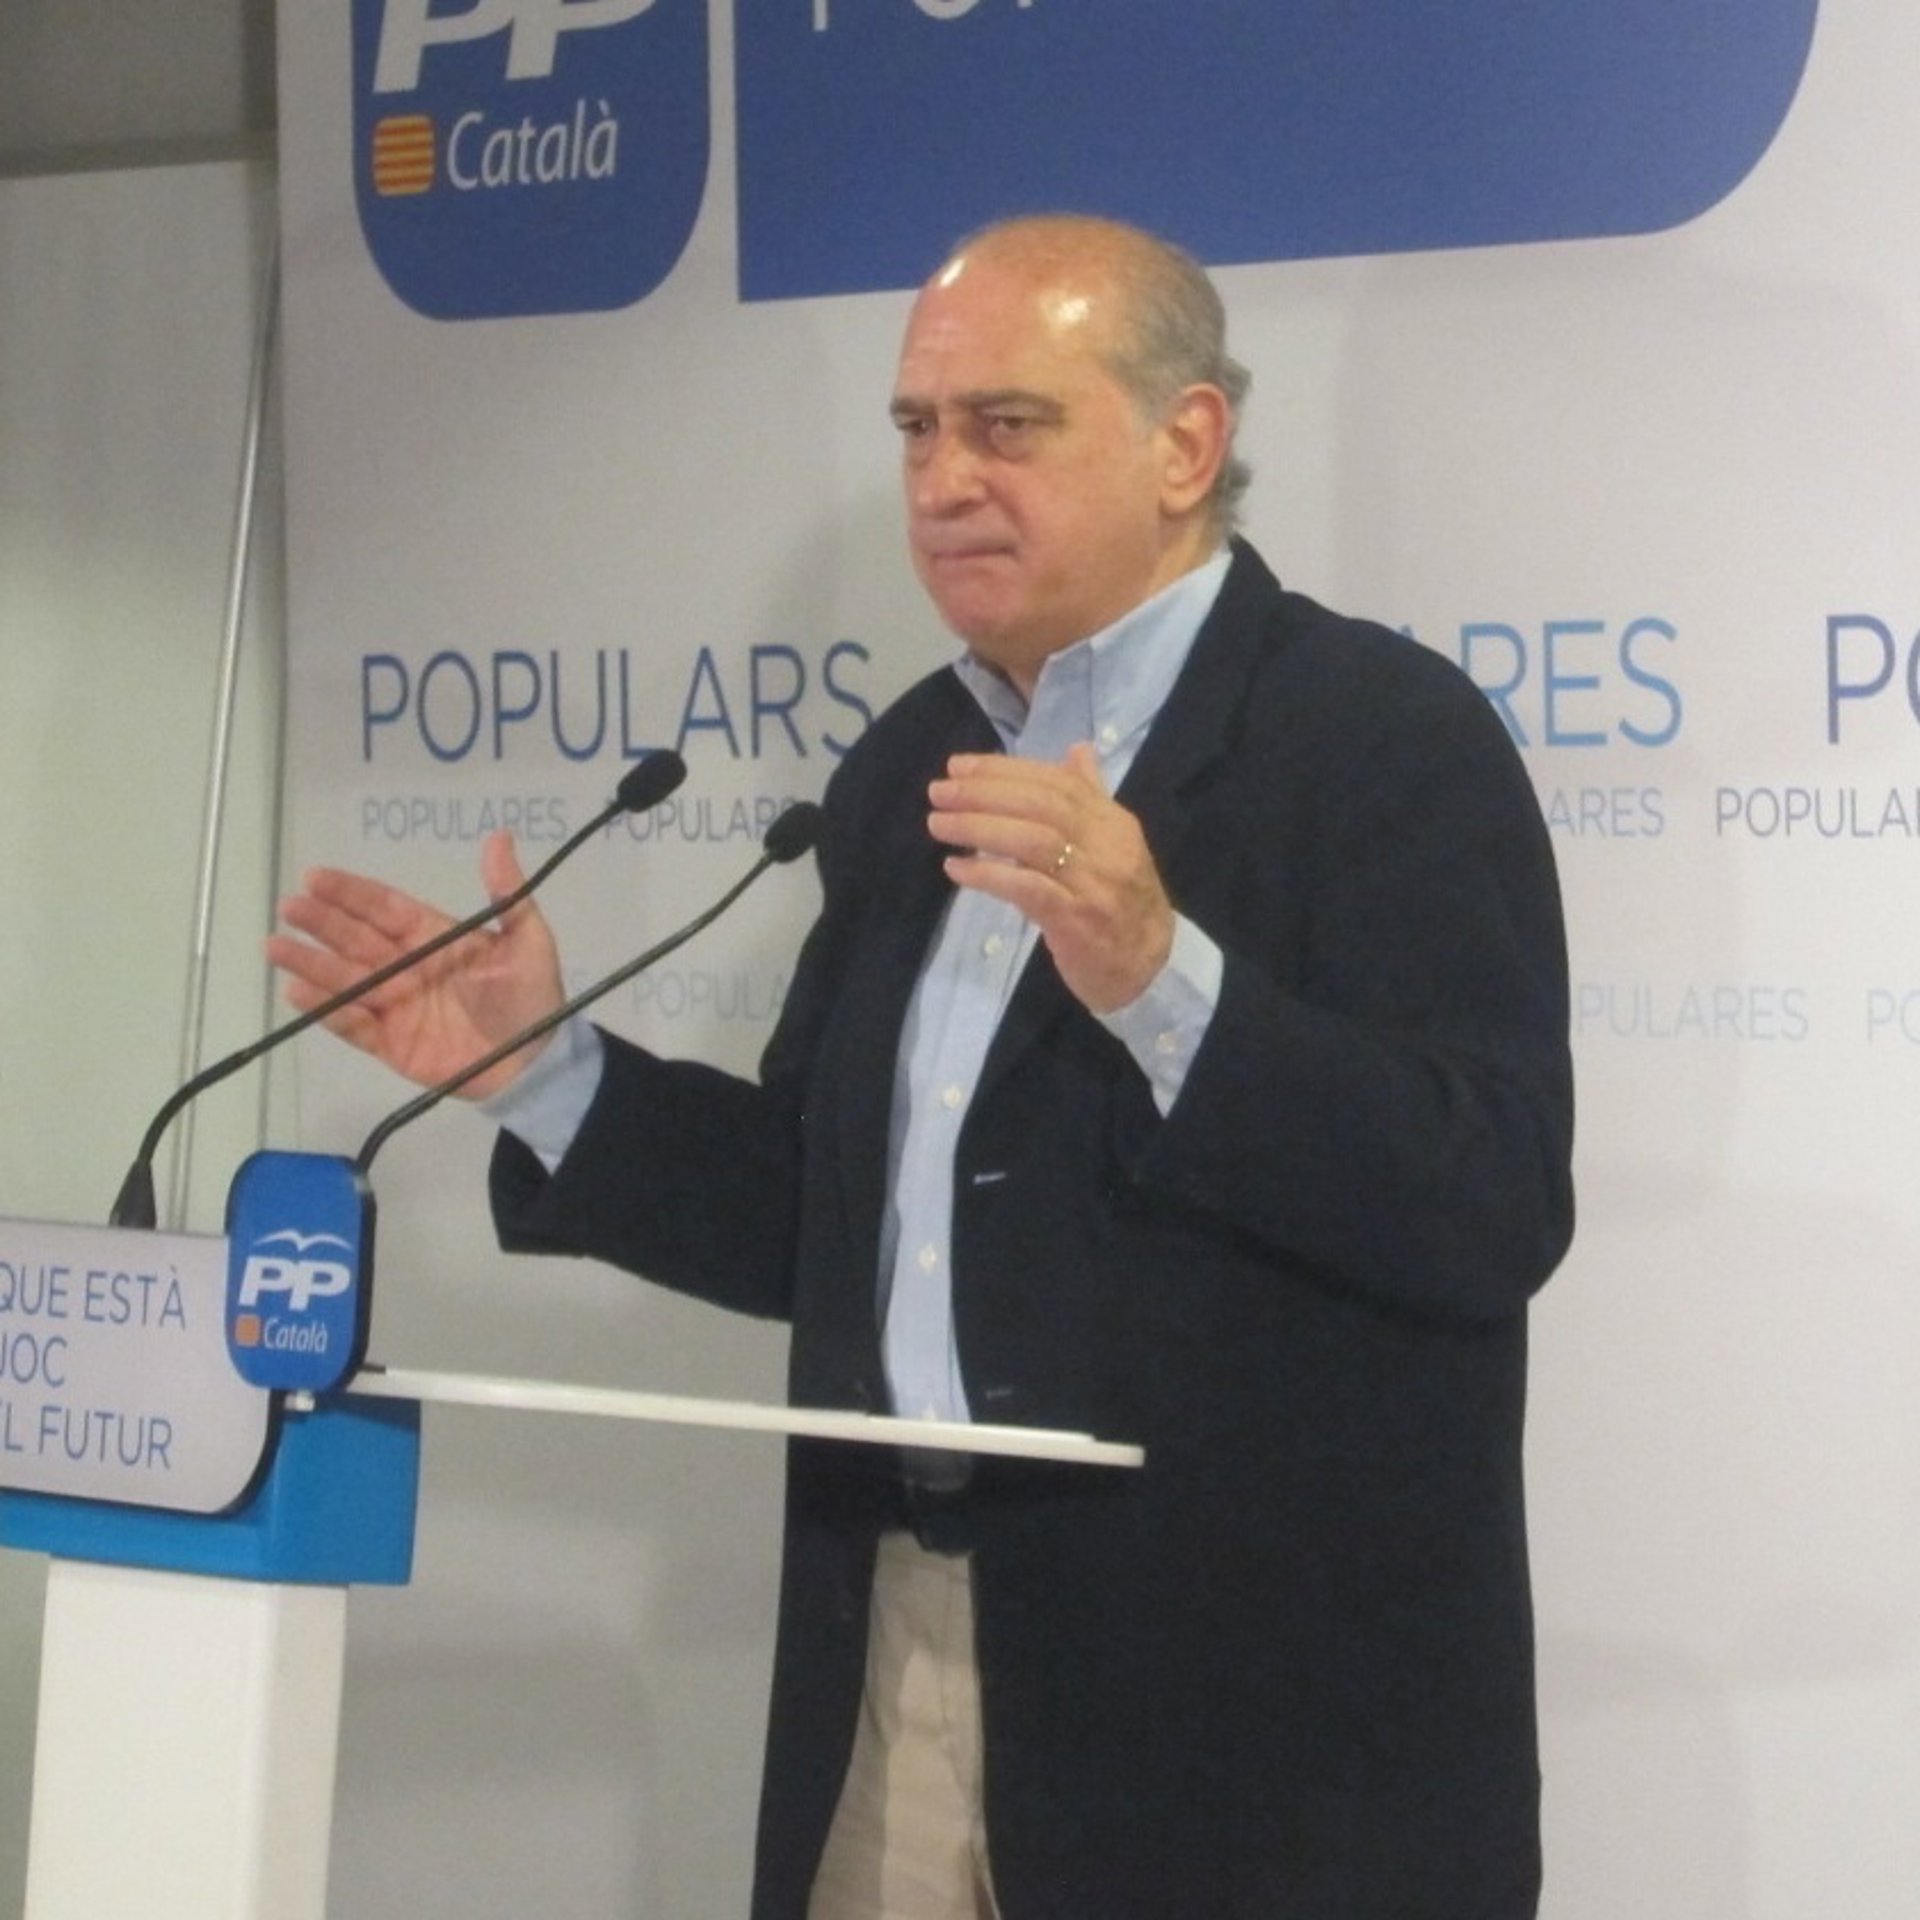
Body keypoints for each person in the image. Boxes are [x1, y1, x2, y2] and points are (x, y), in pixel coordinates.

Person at [272, 214, 1575, 1919]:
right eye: (916, 430)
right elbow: (823, 1224)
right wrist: (544, 1074)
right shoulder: (911, 766)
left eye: (1005, 425)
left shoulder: (1382, 737)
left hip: (1254, 1735)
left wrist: (1161, 978)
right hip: (897, 1652)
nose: (944, 480)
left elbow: (1488, 1199)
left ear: (1186, 445)